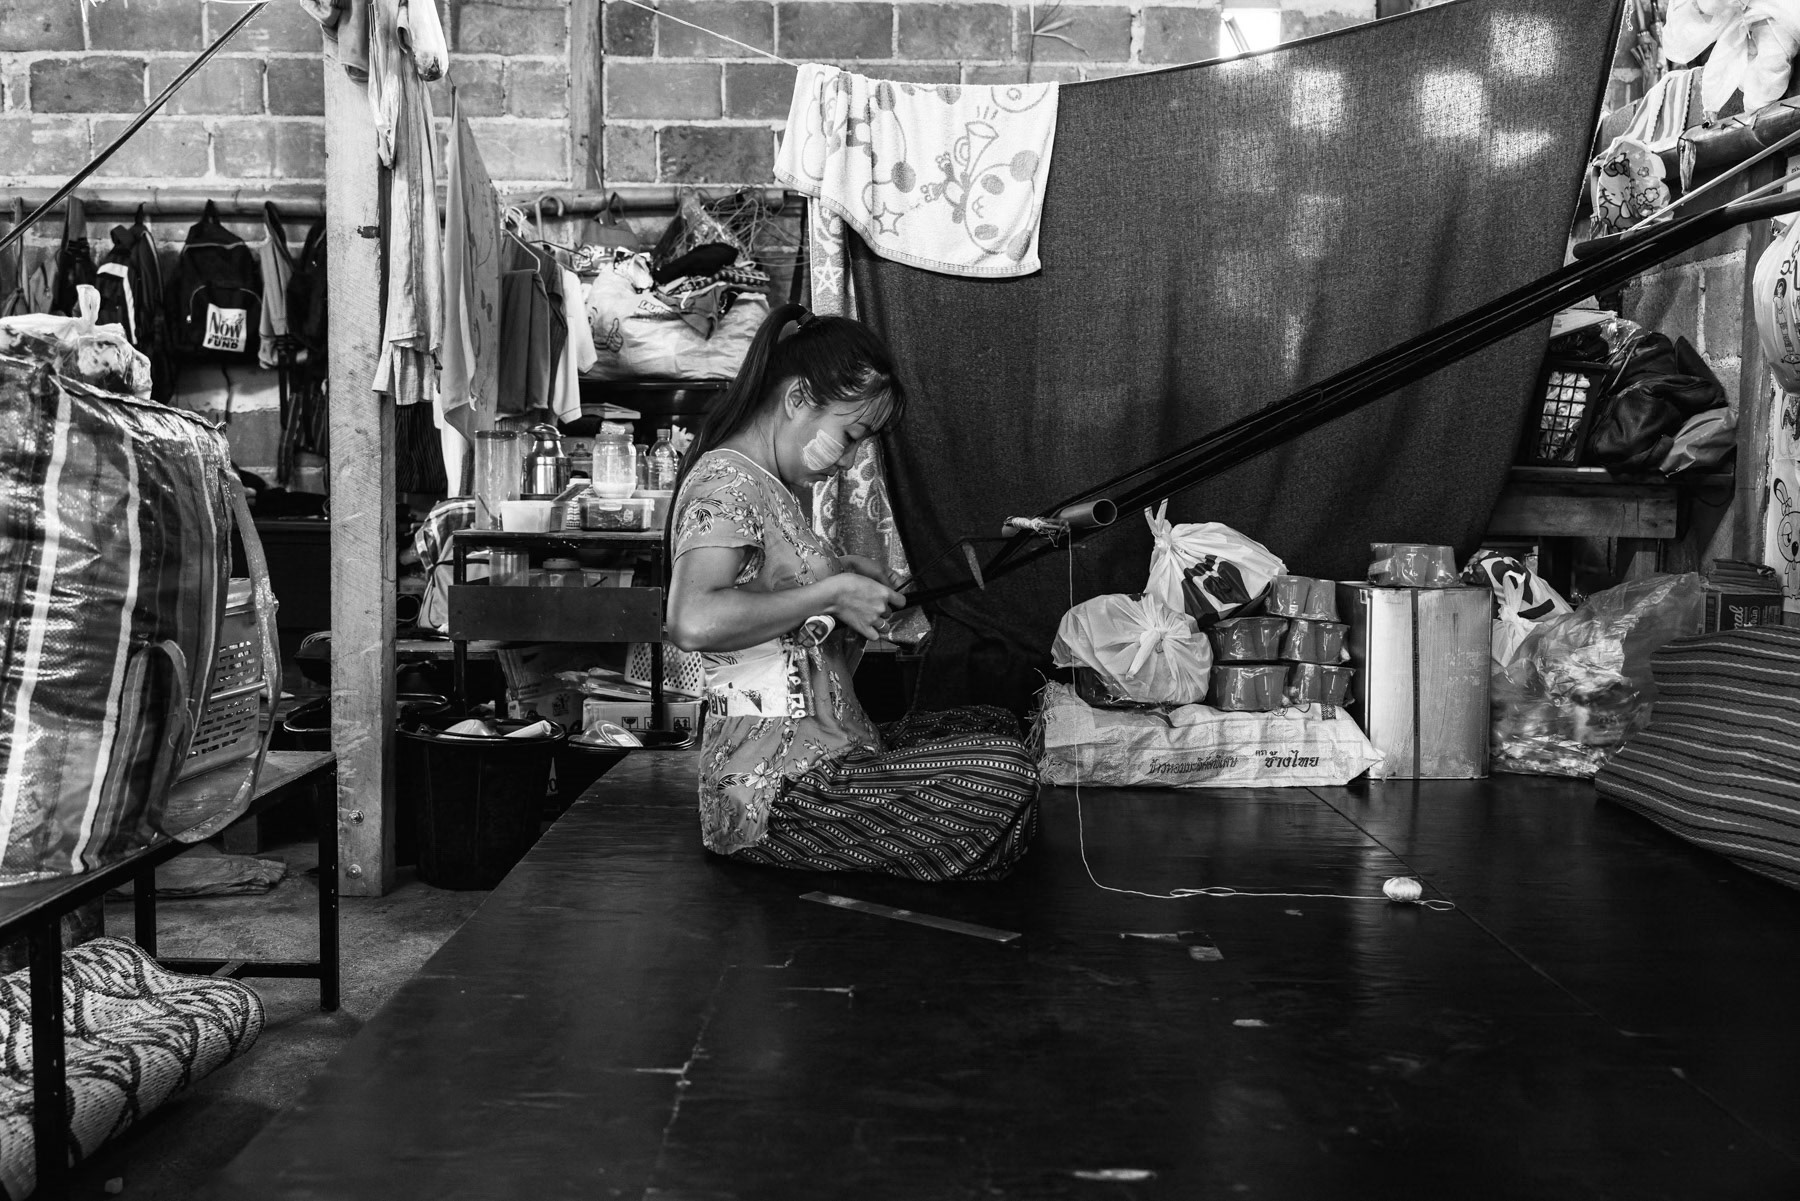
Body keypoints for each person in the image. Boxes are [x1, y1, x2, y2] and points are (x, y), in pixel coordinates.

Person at [665, 303, 1039, 881]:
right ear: (796, 400)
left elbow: (770, 604)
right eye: (850, 434)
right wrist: (832, 593)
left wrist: (837, 573)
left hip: (829, 751)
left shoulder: (772, 487)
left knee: (999, 725)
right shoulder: (725, 480)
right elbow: (693, 618)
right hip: (777, 790)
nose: (846, 459)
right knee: (1005, 771)